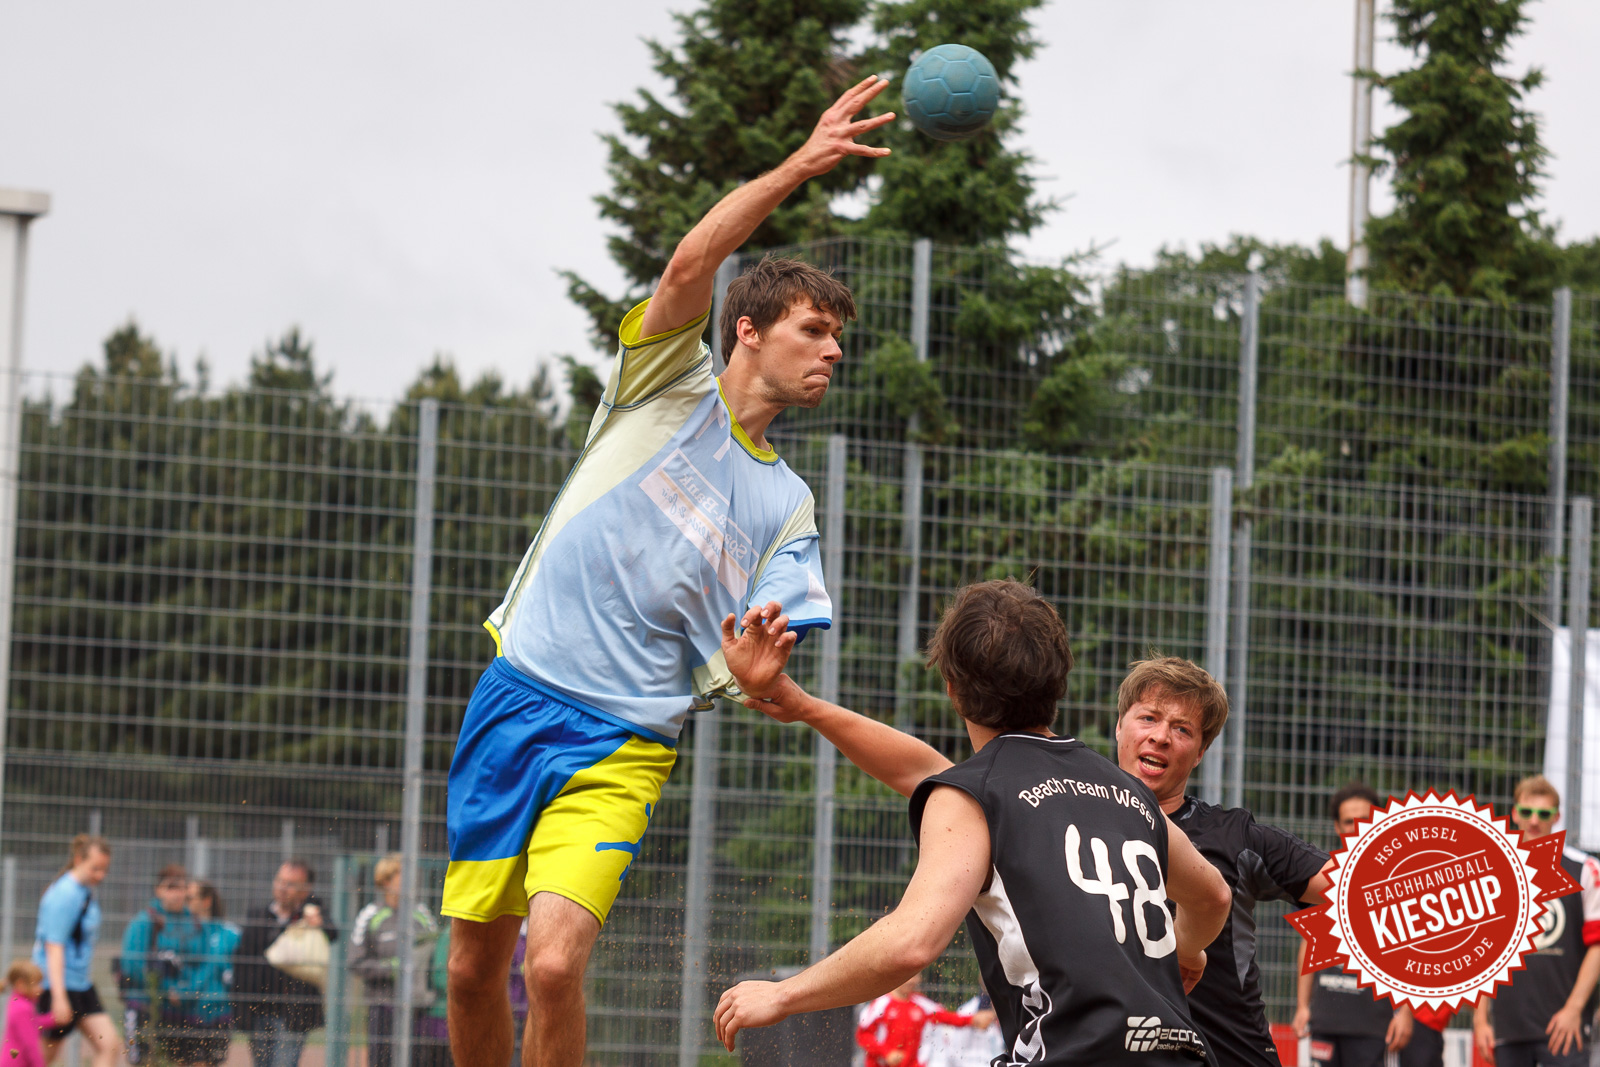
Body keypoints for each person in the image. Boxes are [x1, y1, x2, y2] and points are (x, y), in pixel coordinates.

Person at [443, 74, 896, 1067]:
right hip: (516, 694)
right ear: (748, 328)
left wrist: (756, 670)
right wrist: (803, 164)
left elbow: (766, 650)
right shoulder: (665, 382)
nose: (830, 351)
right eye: (812, 330)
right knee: (473, 969)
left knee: (553, 964)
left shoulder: (789, 504)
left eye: (837, 339)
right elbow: (696, 256)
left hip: (623, 739)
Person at [713, 580, 1234, 1063]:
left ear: (952, 689)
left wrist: (783, 994)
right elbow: (1213, 897)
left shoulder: (979, 795)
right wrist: (1187, 950)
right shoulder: (1126, 795)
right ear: (1058, 681)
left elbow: (911, 943)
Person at [1113, 656, 1339, 1067]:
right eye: (1148, 718)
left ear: (1199, 753)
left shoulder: (1234, 837)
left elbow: (1359, 891)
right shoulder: (1067, 823)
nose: (1160, 736)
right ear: (1120, 727)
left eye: (1182, 729)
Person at [1472, 775, 1600, 1067]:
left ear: (1557, 817)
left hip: (1564, 1029)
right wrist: (1480, 1021)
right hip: (1508, 1030)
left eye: (1543, 814)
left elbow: (1597, 946)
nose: (1534, 821)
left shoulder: (1585, 869)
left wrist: (1574, 1009)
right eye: (1527, 812)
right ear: (1515, 813)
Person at [1294, 784, 1413, 1067]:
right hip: (1326, 1020)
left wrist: (1406, 1010)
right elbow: (1310, 944)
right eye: (1349, 821)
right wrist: (1301, 1006)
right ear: (1337, 826)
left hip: (1374, 1025)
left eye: (1365, 818)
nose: (1357, 827)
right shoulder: (1324, 877)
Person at [234, 858, 339, 1067]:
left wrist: (317, 918)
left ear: (306, 889)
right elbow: (242, 963)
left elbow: (333, 934)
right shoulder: (258, 915)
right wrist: (241, 1009)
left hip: (294, 1013)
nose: (283, 888)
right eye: (280, 881)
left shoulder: (312, 914)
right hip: (258, 1009)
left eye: (291, 884)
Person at [31, 834, 122, 1066]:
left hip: (81, 984)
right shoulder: (64, 894)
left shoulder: (83, 891)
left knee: (109, 1045)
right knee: (40, 1058)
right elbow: (54, 947)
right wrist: (59, 998)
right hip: (56, 985)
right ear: (79, 859)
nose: (101, 875)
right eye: (95, 868)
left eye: (105, 869)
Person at [349, 853, 440, 1067]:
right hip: (383, 1007)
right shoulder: (370, 915)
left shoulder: (423, 914)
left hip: (419, 1009)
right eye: (403, 874)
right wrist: (391, 969)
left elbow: (436, 956)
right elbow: (355, 961)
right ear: (386, 880)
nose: (411, 880)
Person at [119, 862, 207, 1066]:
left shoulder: (194, 923)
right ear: (159, 890)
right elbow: (133, 967)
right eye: (170, 888)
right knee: (146, 1061)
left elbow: (203, 962)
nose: (176, 894)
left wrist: (187, 990)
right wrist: (167, 990)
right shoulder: (144, 921)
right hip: (146, 1006)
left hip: (183, 1011)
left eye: (181, 888)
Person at [855, 972, 990, 1067]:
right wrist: (886, 1053)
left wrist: (973, 1020)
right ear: (898, 976)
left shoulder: (921, 1003)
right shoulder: (880, 1004)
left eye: (916, 976)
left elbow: (946, 1017)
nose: (914, 981)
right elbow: (863, 1035)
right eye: (909, 976)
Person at [187, 880, 242, 1067]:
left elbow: (239, 972)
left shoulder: (230, 934)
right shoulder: (184, 933)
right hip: (188, 1011)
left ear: (206, 901)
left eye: (191, 898)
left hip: (220, 1012)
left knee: (212, 1062)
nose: (186, 902)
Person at [4, 960, 48, 1067]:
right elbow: (30, 1045)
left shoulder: (17, 1002)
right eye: (37, 984)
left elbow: (33, 1023)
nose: (41, 989)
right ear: (21, 984)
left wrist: (53, 1019)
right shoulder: (23, 1008)